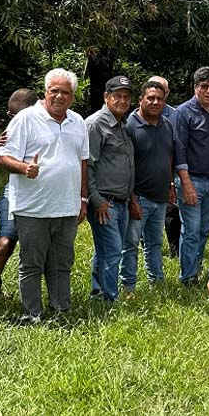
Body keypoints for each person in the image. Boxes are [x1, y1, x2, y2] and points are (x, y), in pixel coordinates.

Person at [0, 68, 89, 323]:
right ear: (46, 92)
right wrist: (24, 168)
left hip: (67, 207)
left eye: (66, 92)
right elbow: (1, 157)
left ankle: (61, 311)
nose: (59, 97)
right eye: (54, 91)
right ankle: (32, 314)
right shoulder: (26, 119)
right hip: (33, 208)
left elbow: (82, 162)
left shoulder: (78, 122)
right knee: (32, 264)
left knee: (61, 264)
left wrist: (83, 199)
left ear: (73, 96)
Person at [0, 88, 38, 311]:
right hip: (13, 194)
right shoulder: (12, 128)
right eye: (9, 116)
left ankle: (37, 302)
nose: (11, 120)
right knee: (4, 244)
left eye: (15, 115)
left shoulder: (42, 125)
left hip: (40, 199)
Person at [174, 66, 209, 286]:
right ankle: (187, 277)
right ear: (195, 87)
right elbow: (179, 150)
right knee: (191, 229)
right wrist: (186, 184)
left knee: (205, 229)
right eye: (203, 86)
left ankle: (195, 268)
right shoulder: (183, 112)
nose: (208, 91)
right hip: (192, 179)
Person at [85, 76, 138, 302]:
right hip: (104, 201)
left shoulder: (123, 124)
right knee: (113, 250)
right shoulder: (96, 124)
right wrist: (96, 201)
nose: (123, 101)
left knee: (105, 249)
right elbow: (87, 166)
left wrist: (131, 198)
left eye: (126, 97)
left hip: (122, 200)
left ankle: (98, 292)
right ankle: (110, 299)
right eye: (117, 96)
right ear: (106, 97)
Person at [123, 79, 176, 288]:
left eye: (160, 99)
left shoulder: (167, 125)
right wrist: (132, 198)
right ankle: (128, 285)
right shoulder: (130, 126)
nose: (155, 102)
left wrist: (171, 185)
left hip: (160, 197)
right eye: (150, 98)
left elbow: (168, 156)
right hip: (139, 197)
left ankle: (157, 281)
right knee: (131, 244)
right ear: (141, 100)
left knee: (154, 243)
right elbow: (125, 165)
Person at [147, 75, 179, 257]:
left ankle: (174, 248)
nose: (156, 99)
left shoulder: (174, 115)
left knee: (171, 213)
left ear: (167, 93)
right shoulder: (134, 118)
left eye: (162, 92)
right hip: (145, 178)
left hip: (170, 172)